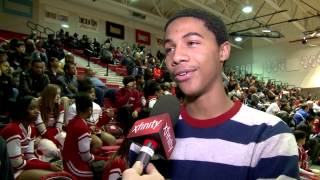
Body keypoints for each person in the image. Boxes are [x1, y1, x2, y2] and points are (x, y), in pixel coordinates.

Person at [129, 8, 299, 179]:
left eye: (192, 42)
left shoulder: (270, 135)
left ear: (223, 51)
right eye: (169, 49)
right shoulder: (148, 134)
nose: (177, 56)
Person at [0, 96, 65, 179]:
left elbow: (30, 156)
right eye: (32, 108)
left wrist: (49, 165)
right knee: (52, 177)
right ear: (23, 110)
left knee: (58, 174)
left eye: (37, 108)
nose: (37, 112)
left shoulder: (31, 129)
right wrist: (48, 166)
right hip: (9, 172)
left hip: (20, 167)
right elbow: (17, 163)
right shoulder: (13, 129)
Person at [62, 93, 107, 180]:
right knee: (108, 167)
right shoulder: (82, 126)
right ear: (90, 109)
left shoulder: (75, 120)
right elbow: (85, 157)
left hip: (69, 160)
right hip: (74, 167)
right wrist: (104, 158)